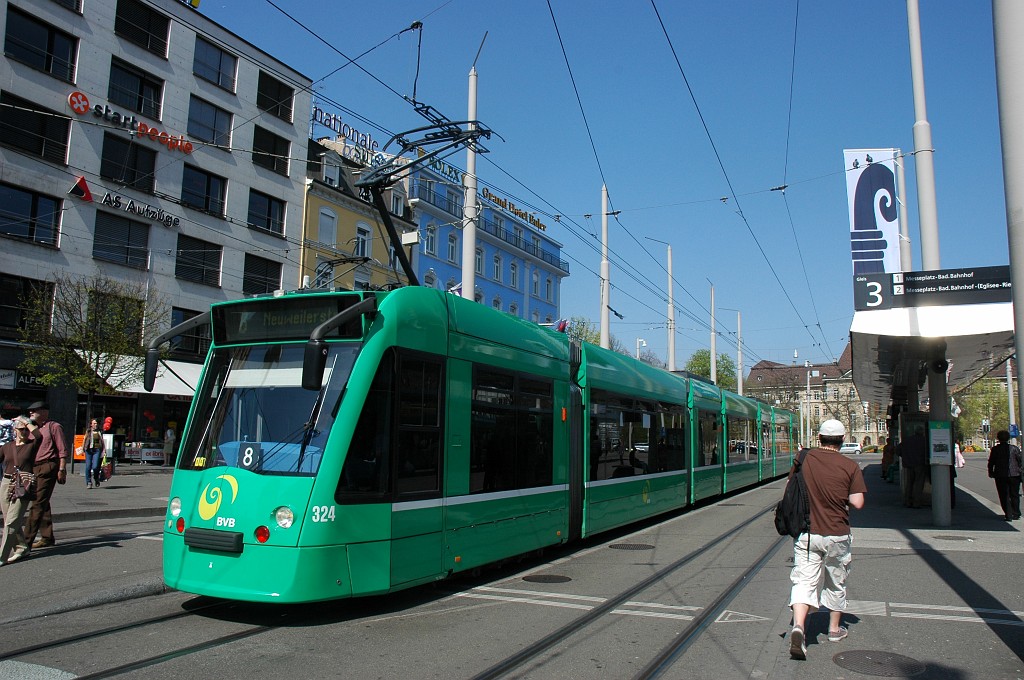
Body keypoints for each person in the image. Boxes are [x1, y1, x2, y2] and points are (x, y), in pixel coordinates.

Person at [788, 419, 867, 661]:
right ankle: (834, 630)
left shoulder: (804, 459)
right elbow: (857, 503)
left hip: (809, 533)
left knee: (804, 579)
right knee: (836, 580)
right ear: (842, 440)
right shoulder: (849, 466)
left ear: (819, 438)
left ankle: (799, 626)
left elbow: (790, 486)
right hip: (837, 533)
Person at [23, 401, 69, 552]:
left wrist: (62, 469)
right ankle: (47, 537)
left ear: (44, 412)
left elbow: (62, 450)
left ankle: (25, 543)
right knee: (43, 502)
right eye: (30, 411)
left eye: (33, 411)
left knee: (37, 504)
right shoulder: (31, 428)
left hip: (48, 467)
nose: (30, 413)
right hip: (33, 468)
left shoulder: (54, 427)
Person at [1, 416, 40, 565]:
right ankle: (22, 547)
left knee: (11, 521)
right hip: (6, 482)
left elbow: (38, 435)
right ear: (14, 430)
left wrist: (26, 421)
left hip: (23, 483)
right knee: (8, 520)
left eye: (25, 429)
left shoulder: (32, 444)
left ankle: (2, 556)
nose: (24, 432)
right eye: (20, 429)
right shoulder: (7, 446)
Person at [987, 430, 1022, 521]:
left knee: (1004, 494)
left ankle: (1008, 513)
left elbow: (991, 462)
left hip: (1000, 475)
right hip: (1015, 474)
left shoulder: (995, 449)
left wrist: (991, 472)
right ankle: (1016, 512)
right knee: (1014, 494)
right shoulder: (1014, 448)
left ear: (998, 438)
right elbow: (1020, 460)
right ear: (1008, 438)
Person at [897, 426, 929, 508]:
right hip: (920, 464)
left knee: (909, 483)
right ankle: (916, 502)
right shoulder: (924, 440)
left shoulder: (908, 440)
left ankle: (908, 501)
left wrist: (905, 457)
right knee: (919, 483)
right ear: (922, 432)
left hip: (909, 464)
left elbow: (898, 450)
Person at [82, 418, 105, 489]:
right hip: (88, 450)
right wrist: (83, 448)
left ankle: (96, 478)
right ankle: (89, 482)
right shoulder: (88, 431)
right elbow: (84, 439)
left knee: (95, 466)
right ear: (91, 424)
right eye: (94, 423)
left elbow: (102, 441)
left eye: (96, 423)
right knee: (88, 466)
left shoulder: (100, 431)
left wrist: (104, 450)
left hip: (97, 450)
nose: (95, 424)